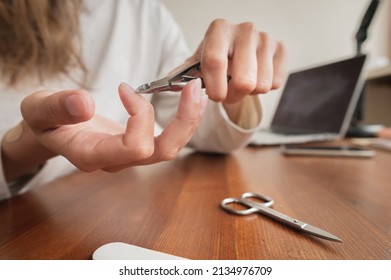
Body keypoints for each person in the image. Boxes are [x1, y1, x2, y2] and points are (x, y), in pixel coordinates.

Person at [0, 0, 287, 200]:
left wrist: (232, 78)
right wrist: (27, 146)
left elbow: (211, 136)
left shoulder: (146, 12)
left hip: (100, 209)